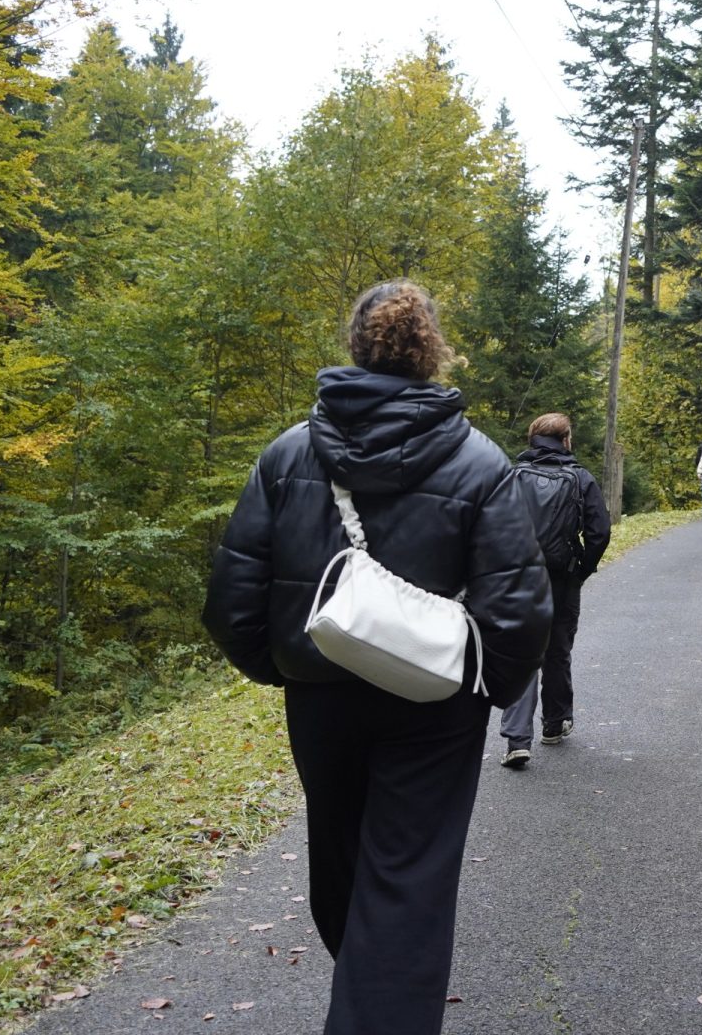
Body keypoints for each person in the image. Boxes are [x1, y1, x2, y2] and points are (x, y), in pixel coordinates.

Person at [202, 280, 552, 1035]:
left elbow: (232, 601)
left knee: (338, 858)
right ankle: (379, 1007)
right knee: (408, 881)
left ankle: (366, 999)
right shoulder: (480, 461)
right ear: (430, 350)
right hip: (434, 706)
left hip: (322, 698)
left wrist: (291, 666)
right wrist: (490, 690)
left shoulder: (289, 453)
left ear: (354, 346)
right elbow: (520, 608)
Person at [498, 413, 612, 769]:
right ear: (566, 440)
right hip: (562, 577)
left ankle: (517, 739)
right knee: (558, 650)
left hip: (519, 577)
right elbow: (600, 531)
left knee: (521, 651)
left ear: (533, 439)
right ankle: (554, 722)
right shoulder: (580, 478)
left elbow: (491, 524)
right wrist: (582, 569)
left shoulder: (512, 475)